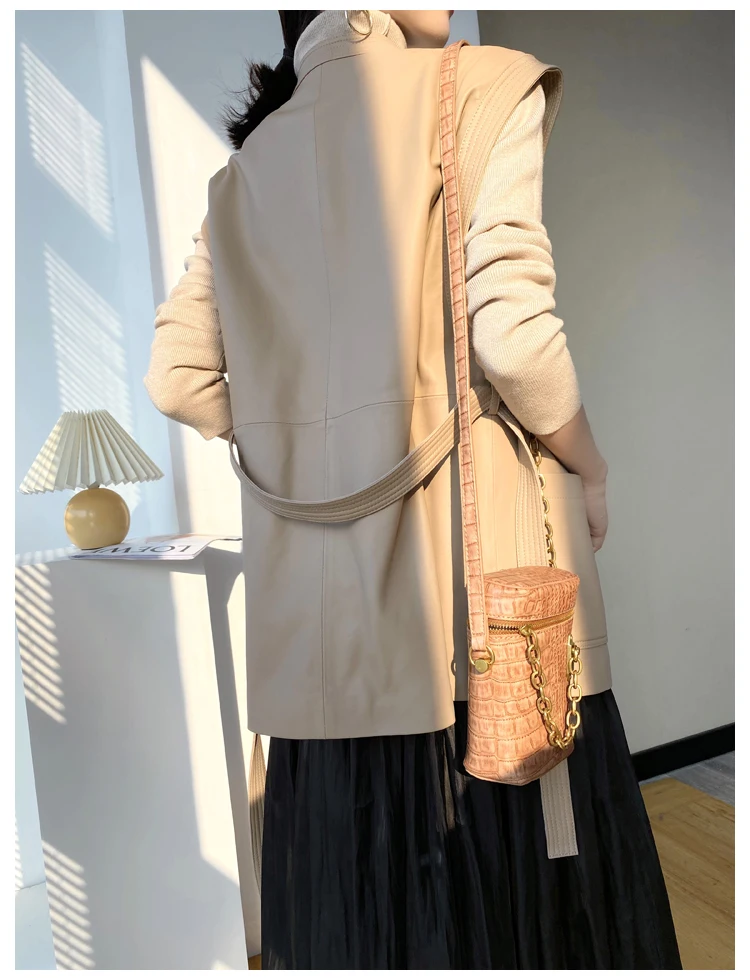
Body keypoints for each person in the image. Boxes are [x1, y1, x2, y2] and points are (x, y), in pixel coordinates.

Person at [145, 9, 681, 970]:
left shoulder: (245, 170)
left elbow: (176, 378)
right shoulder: (483, 87)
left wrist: (305, 444)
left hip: (325, 641)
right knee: (526, 902)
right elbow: (513, 337)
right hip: (481, 623)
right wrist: (593, 469)